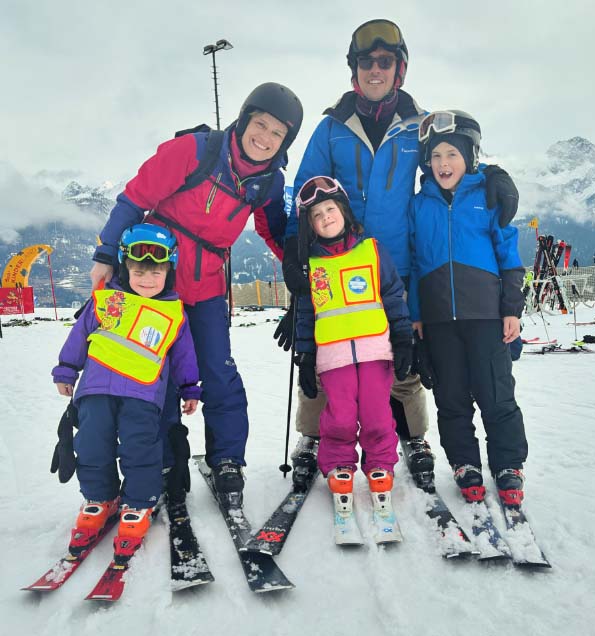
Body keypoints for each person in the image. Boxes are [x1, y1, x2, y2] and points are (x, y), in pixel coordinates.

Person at [278, 19, 520, 483]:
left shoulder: (419, 125)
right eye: (366, 62)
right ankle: (313, 436)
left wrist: (492, 176)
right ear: (354, 71)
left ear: (399, 69)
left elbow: (451, 166)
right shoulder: (331, 129)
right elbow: (305, 190)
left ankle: (412, 434)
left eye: (384, 62)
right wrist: (296, 249)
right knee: (328, 348)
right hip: (336, 259)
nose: (375, 70)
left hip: (396, 260)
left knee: (401, 348)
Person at [89, 83, 303, 500]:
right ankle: (165, 457)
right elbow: (135, 199)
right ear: (244, 120)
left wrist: (296, 269)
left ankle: (226, 459)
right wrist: (105, 254)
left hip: (206, 286)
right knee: (155, 372)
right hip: (155, 282)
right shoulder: (194, 151)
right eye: (260, 125)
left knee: (218, 371)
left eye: (278, 134)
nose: (265, 138)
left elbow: (273, 227)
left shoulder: (269, 182)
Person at [52, 224, 201, 558]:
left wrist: (190, 387)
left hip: (143, 396)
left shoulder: (174, 314)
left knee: (140, 449)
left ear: (169, 272)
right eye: (138, 272)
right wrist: (66, 369)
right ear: (124, 268)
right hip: (95, 391)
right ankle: (99, 498)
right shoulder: (106, 302)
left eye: (155, 273)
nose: (147, 279)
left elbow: (184, 355)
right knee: (91, 446)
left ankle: (138, 503)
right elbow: (79, 336)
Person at [409, 110, 528, 506]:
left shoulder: (487, 197)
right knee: (452, 397)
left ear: (470, 157)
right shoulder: (418, 206)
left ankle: (508, 464)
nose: (444, 164)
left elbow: (509, 255)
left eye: (452, 155)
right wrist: (416, 316)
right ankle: (464, 463)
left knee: (496, 393)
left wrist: (511, 308)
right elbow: (411, 264)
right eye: (436, 156)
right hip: (439, 319)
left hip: (487, 316)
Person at [294, 176, 413, 502]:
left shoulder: (372, 251)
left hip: (376, 350)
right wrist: (304, 356)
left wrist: (403, 337)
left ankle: (380, 464)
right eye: (316, 215)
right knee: (341, 416)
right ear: (310, 225)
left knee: (376, 414)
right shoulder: (311, 265)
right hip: (334, 357)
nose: (325, 218)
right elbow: (306, 314)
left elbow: (391, 295)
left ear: (344, 211)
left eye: (330, 209)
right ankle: (338, 464)